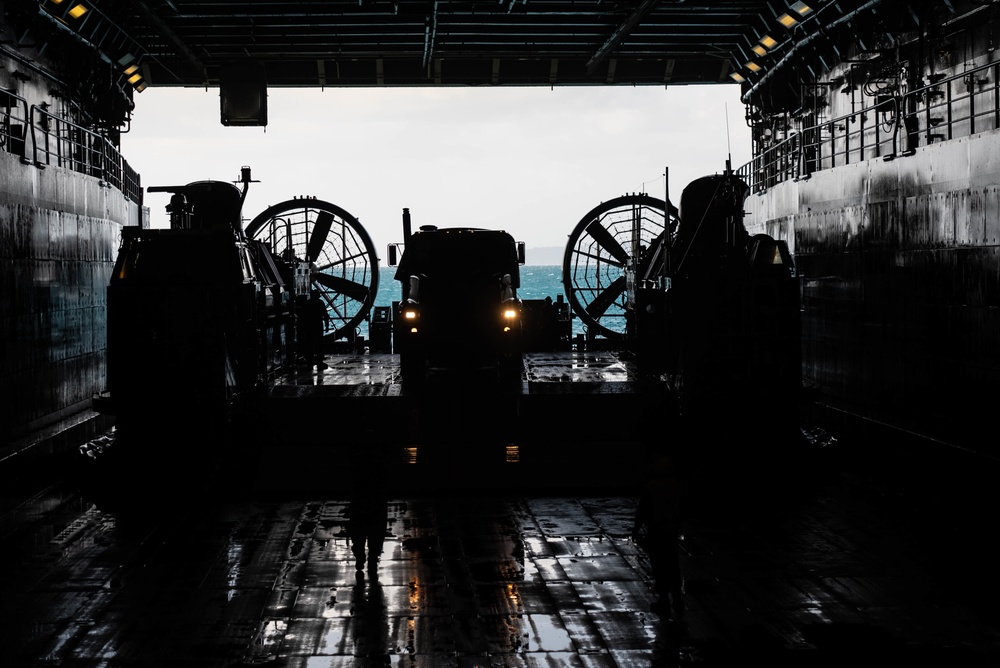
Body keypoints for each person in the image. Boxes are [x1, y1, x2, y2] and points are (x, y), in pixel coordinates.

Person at [632, 455, 684, 621]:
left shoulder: (651, 487)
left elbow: (643, 510)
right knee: (673, 565)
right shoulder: (677, 486)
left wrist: (636, 529)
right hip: (672, 530)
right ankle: (677, 599)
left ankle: (664, 600)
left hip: (656, 531)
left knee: (659, 566)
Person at [348, 432, 390, 578]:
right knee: (376, 533)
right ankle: (372, 559)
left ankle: (361, 556)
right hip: (376, 499)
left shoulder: (358, 460)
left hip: (360, 499)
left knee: (359, 532)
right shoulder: (380, 460)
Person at [301, 289, 329, 369]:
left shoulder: (307, 303)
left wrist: (304, 326)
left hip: (309, 326)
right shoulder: (320, 303)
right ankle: (320, 362)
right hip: (318, 325)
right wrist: (327, 326)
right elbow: (325, 315)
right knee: (319, 344)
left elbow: (303, 316)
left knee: (309, 344)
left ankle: (310, 362)